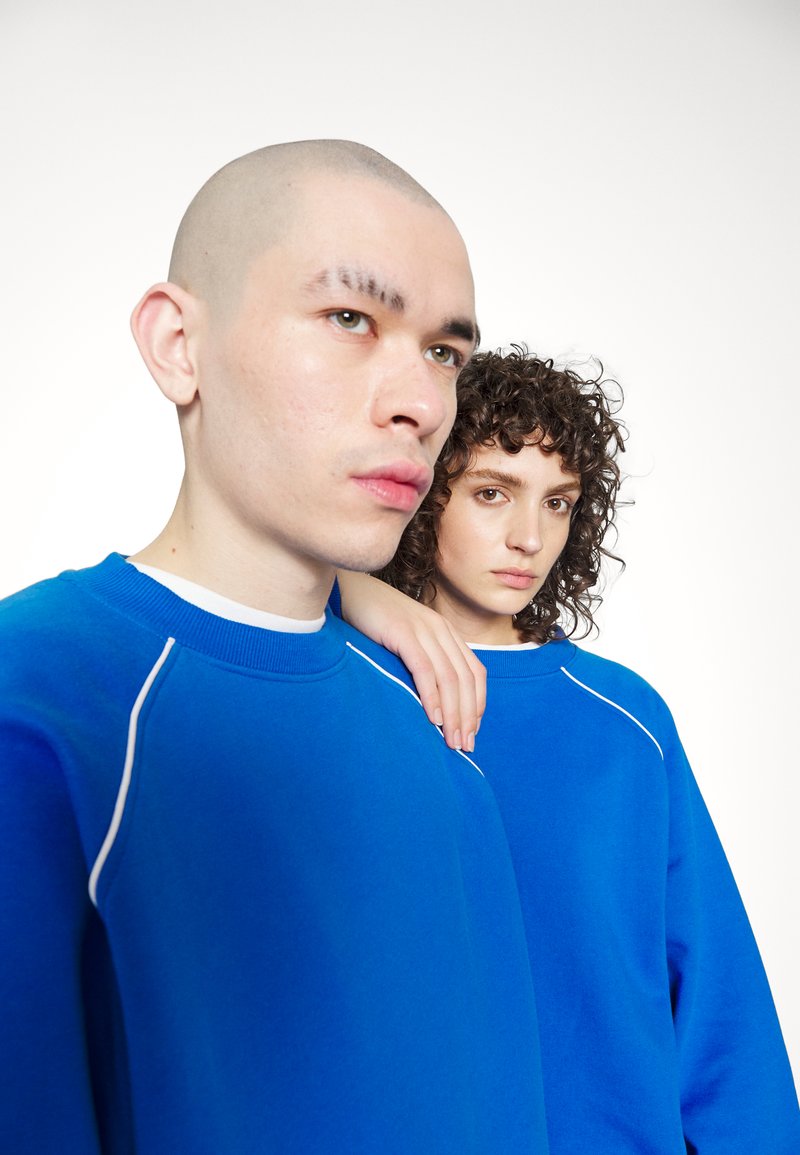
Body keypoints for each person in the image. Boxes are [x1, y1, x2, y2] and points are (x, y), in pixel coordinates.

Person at [0, 144, 550, 1153]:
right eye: (350, 319)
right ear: (178, 345)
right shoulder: (38, 697)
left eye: (444, 352)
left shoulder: (432, 709)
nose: (423, 404)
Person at [339, 346, 800, 1152]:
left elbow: (719, 1001)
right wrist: (351, 585)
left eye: (557, 502)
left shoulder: (625, 720)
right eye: (492, 492)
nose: (528, 536)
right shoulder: (344, 684)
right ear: (423, 487)